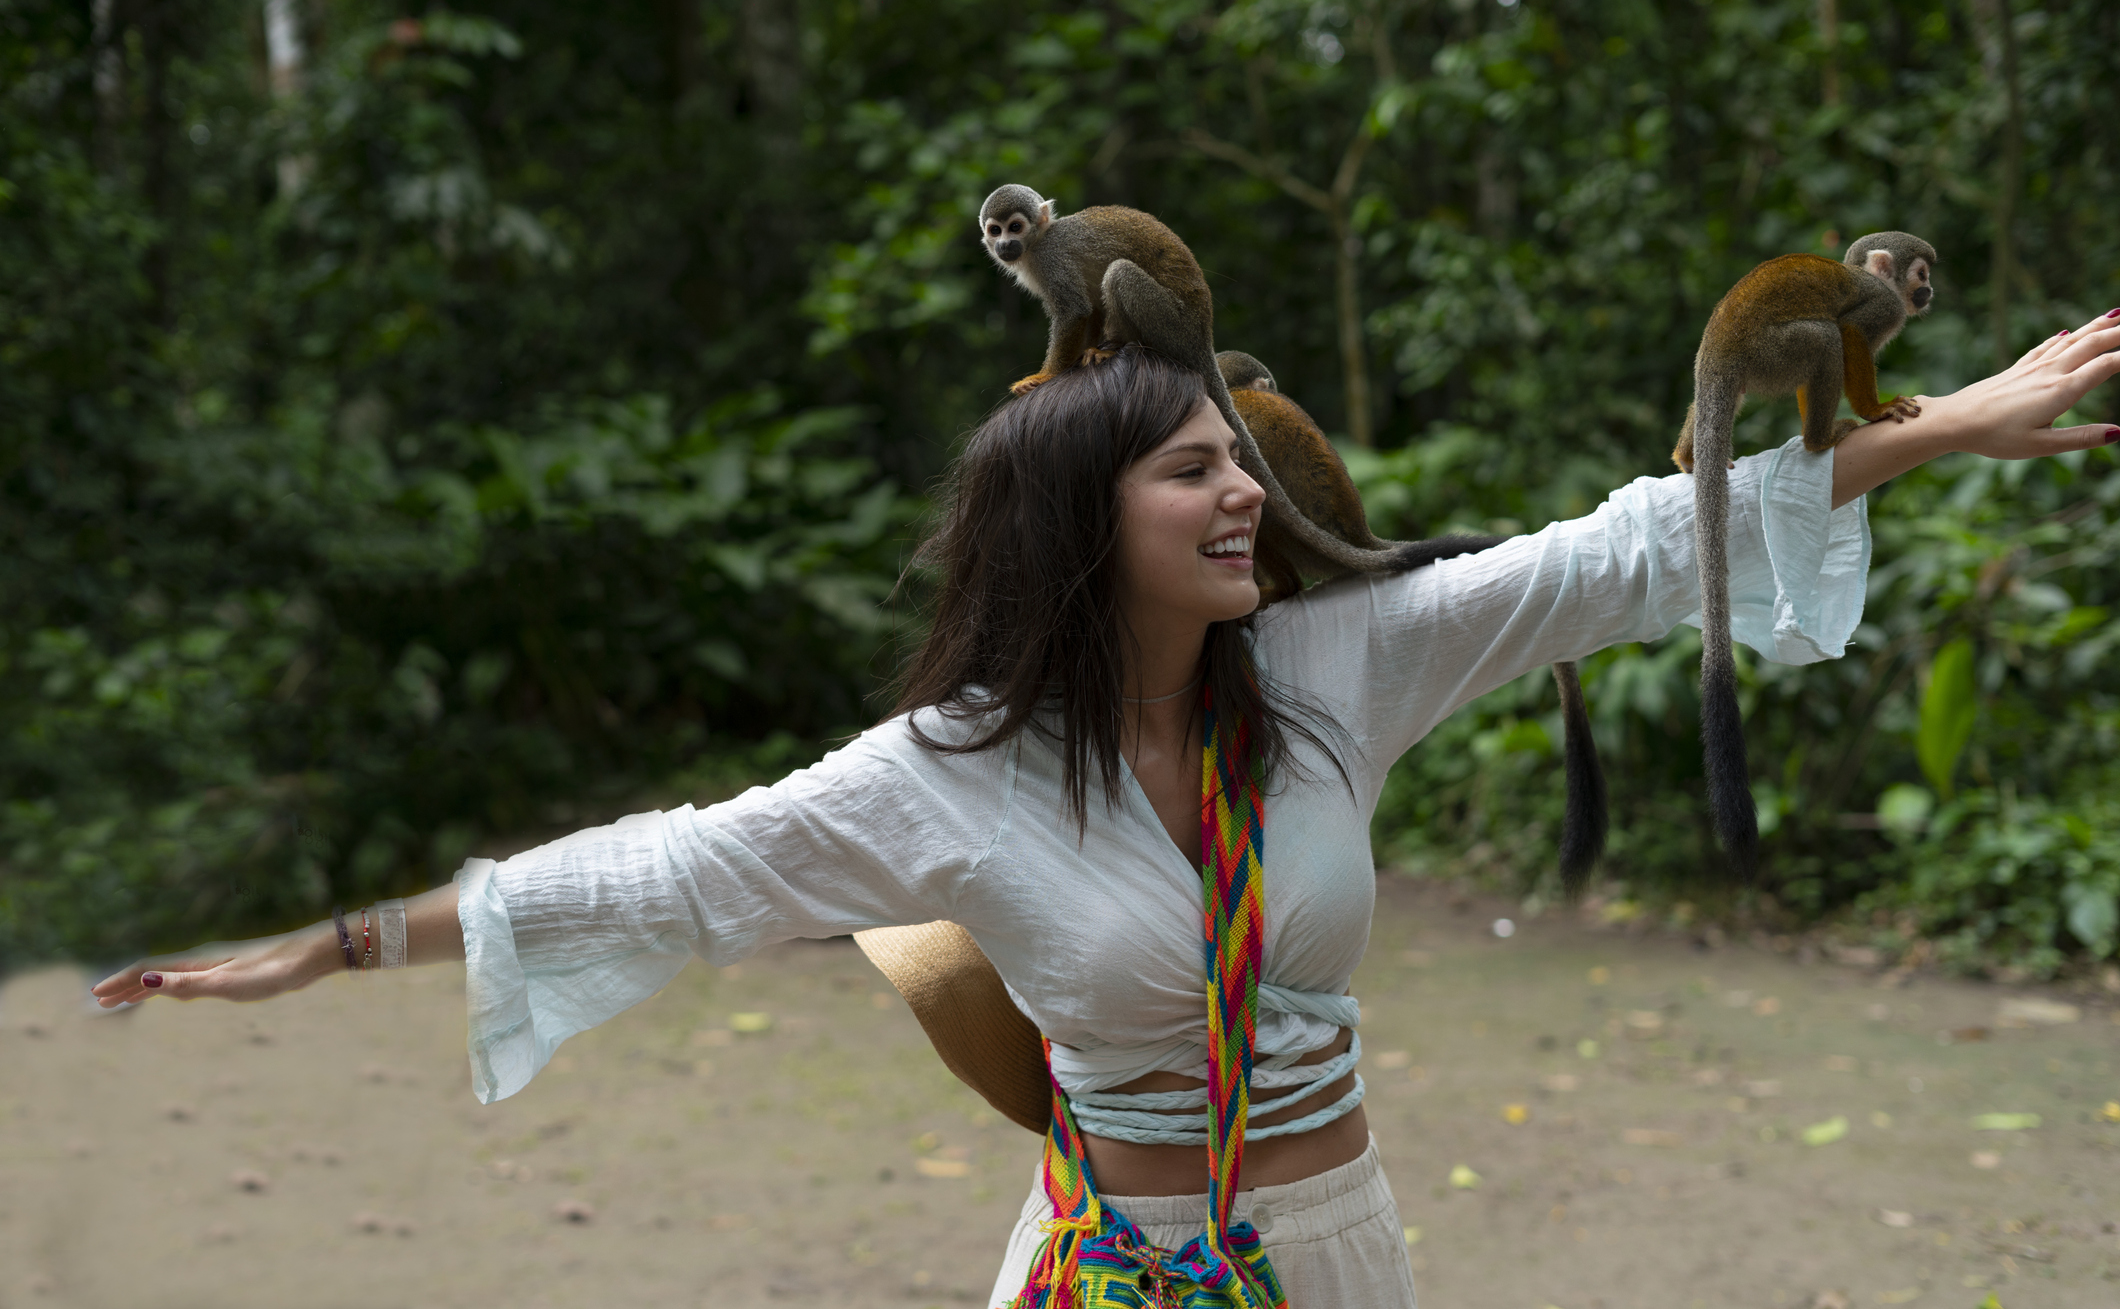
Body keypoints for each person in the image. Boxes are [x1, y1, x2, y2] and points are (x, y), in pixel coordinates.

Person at [92, 315, 2120, 1307]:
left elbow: (1612, 550)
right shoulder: (953, 769)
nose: (1245, 492)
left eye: (1241, 460)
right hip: (1098, 1260)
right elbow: (672, 864)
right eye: (1188, 471)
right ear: (1083, 521)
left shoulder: (1339, 673)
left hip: (1328, 1239)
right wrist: (336, 943)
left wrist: (1955, 423)